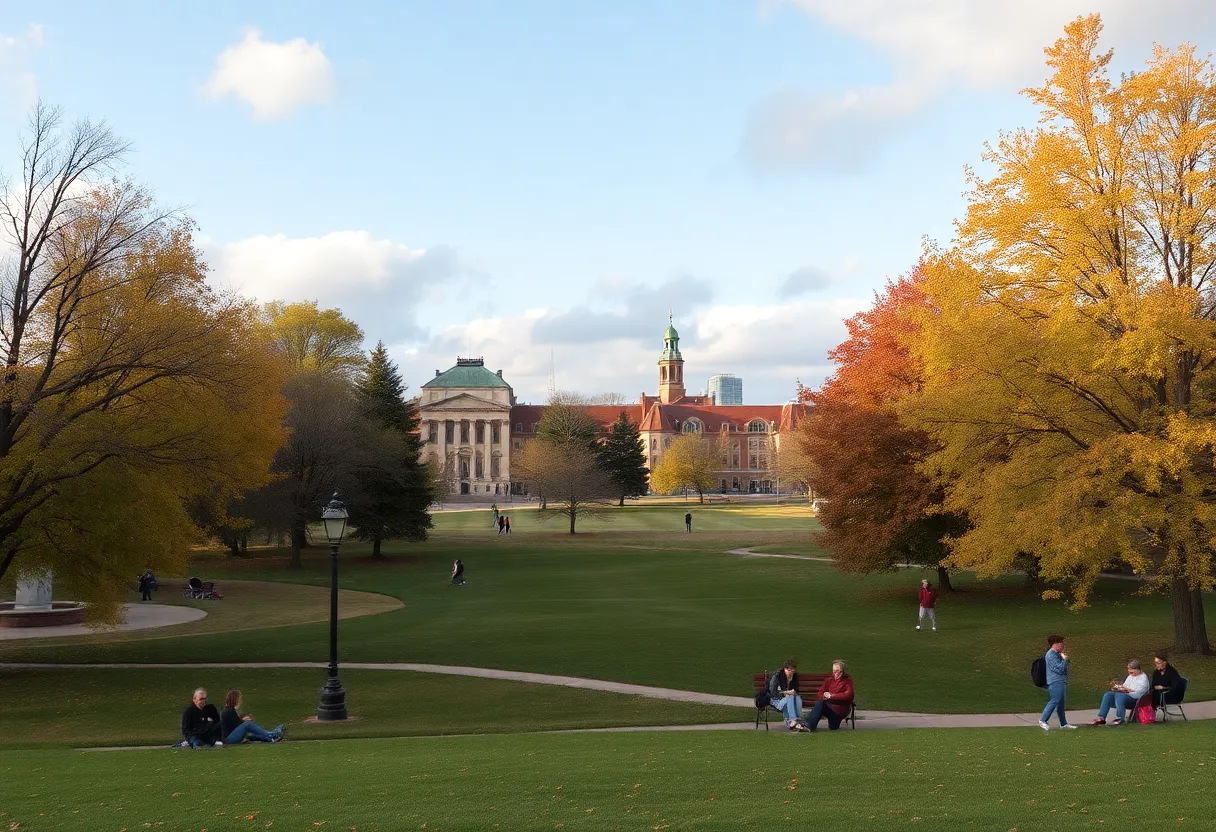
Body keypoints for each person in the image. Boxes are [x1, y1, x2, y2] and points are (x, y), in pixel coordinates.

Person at [1091, 659, 1151, 725]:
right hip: (1124, 697)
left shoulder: (1143, 679)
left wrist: (1125, 691)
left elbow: (1138, 694)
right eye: (1128, 669)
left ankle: (1120, 718)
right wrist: (1118, 688)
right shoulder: (1130, 676)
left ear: (1137, 669)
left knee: (1119, 695)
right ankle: (1101, 717)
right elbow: (1125, 686)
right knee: (1108, 694)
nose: (1129, 671)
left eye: (1131, 669)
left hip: (1136, 700)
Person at [804, 660, 855, 731]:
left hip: (839, 710)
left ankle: (809, 725)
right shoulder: (830, 680)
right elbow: (820, 693)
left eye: (837, 671)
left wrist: (831, 695)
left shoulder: (848, 681)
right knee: (820, 703)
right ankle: (809, 726)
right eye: (833, 671)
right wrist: (824, 696)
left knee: (833, 727)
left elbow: (848, 695)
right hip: (829, 706)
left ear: (843, 671)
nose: (835, 673)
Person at [1039, 635, 1076, 730]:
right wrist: (1064, 660)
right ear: (1055, 644)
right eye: (1061, 643)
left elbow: (1066, 664)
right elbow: (1059, 669)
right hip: (1055, 681)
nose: (1063, 645)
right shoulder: (1051, 654)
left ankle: (1063, 724)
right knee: (1055, 700)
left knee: (1061, 703)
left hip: (1060, 681)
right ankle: (1043, 720)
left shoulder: (1056, 653)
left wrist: (1065, 658)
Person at [220, 690, 284, 744]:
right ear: (234, 700)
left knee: (250, 733)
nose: (240, 701)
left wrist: (242, 720)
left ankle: (270, 737)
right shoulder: (229, 711)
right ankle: (272, 735)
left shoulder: (227, 710)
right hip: (228, 739)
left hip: (229, 737)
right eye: (238, 699)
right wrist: (244, 721)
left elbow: (234, 723)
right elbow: (236, 725)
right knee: (248, 724)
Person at [767, 660, 804, 731]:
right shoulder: (777, 676)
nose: (791, 672)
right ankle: (795, 719)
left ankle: (795, 721)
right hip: (777, 701)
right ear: (785, 669)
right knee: (790, 696)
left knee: (797, 697)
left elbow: (796, 690)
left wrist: (792, 689)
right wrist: (785, 692)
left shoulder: (794, 677)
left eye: (793, 671)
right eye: (789, 670)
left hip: (788, 701)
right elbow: (773, 692)